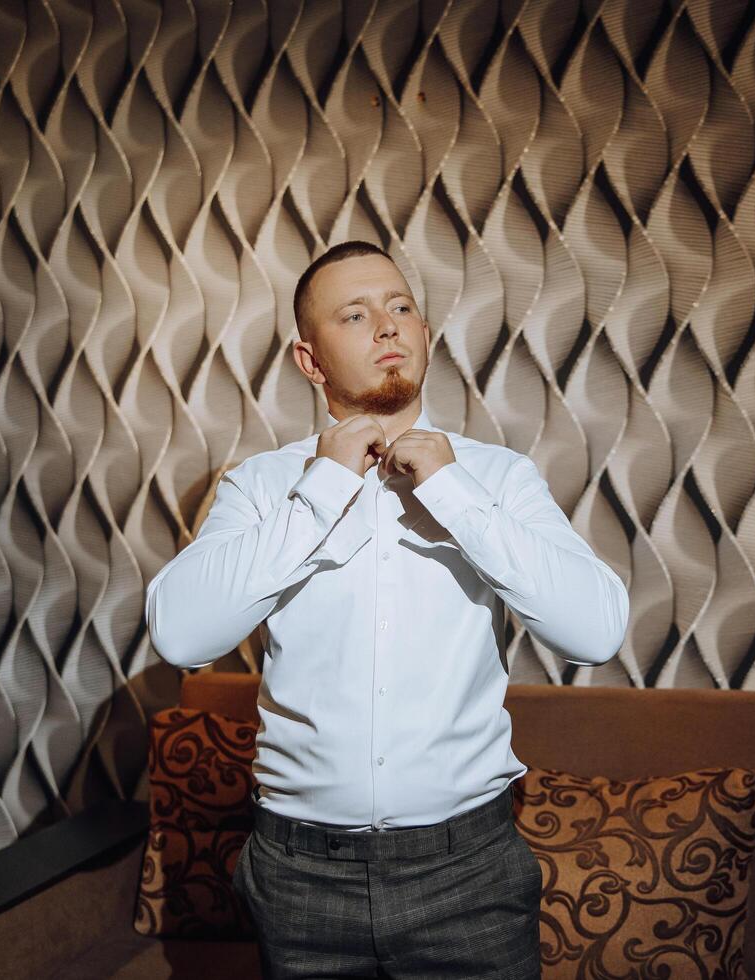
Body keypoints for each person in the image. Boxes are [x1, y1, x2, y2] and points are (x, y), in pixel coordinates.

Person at [144, 240, 630, 978]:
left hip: (469, 870)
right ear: (310, 361)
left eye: (401, 306)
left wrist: (452, 491)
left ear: (426, 336)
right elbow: (181, 635)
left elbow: (595, 632)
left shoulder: (497, 476)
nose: (388, 325)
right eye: (357, 314)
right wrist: (325, 488)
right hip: (299, 877)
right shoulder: (263, 486)